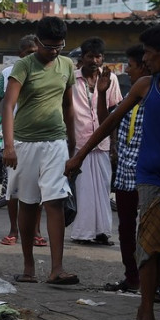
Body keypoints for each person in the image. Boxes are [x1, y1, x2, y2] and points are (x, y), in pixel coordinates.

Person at [67, 25, 160, 320]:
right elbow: (108, 123)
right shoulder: (143, 86)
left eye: (149, 54)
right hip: (150, 180)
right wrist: (79, 156)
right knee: (149, 249)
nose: (145, 59)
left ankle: (147, 308)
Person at [0, 16, 78, 285]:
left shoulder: (67, 65)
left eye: (59, 46)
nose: (54, 51)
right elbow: (8, 105)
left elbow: (68, 106)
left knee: (55, 201)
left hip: (56, 142)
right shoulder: (23, 66)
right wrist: (8, 145)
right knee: (29, 204)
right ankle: (29, 267)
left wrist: (73, 141)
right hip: (25, 144)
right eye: (48, 46)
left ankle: (57, 269)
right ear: (37, 41)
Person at [0, 34, 46, 248]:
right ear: (21, 54)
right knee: (12, 188)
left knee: (38, 188)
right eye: (29, 52)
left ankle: (36, 231)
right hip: (13, 138)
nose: (33, 55)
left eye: (36, 51)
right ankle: (13, 231)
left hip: (39, 137)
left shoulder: (45, 72)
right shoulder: (8, 73)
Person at [98, 45, 149, 293]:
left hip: (151, 175)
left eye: (131, 65)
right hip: (126, 174)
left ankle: (155, 284)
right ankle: (132, 278)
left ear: (146, 66)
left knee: (150, 232)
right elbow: (106, 122)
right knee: (126, 229)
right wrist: (101, 93)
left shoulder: (158, 99)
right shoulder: (130, 98)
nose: (127, 70)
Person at [68, 38, 122, 245]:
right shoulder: (71, 79)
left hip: (102, 143)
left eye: (98, 56)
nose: (94, 60)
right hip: (79, 141)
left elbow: (114, 113)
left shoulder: (112, 80)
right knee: (82, 190)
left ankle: (102, 232)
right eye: (90, 56)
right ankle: (83, 233)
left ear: (103, 58)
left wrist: (114, 144)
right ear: (82, 58)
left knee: (102, 189)